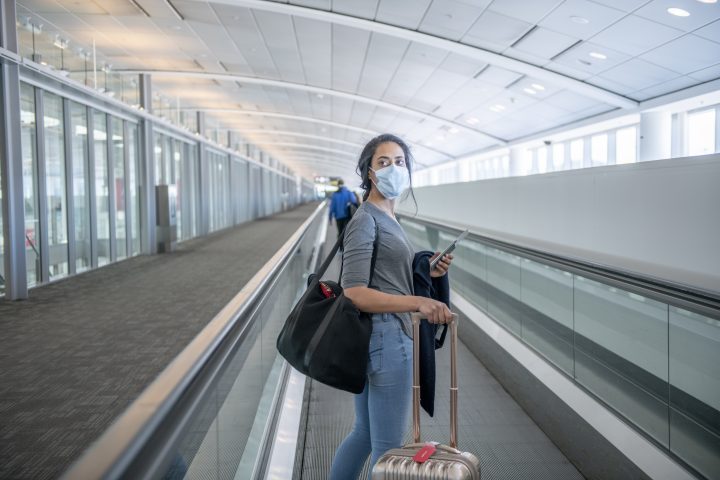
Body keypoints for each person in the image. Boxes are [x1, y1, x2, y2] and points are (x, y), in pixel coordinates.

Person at [328, 134, 454, 479]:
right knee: (387, 448)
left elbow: (384, 272)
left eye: (400, 162)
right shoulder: (366, 219)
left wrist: (428, 270)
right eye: (384, 162)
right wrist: (418, 301)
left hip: (379, 337)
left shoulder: (386, 214)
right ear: (369, 172)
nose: (393, 168)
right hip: (386, 340)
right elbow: (354, 291)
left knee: (365, 434)